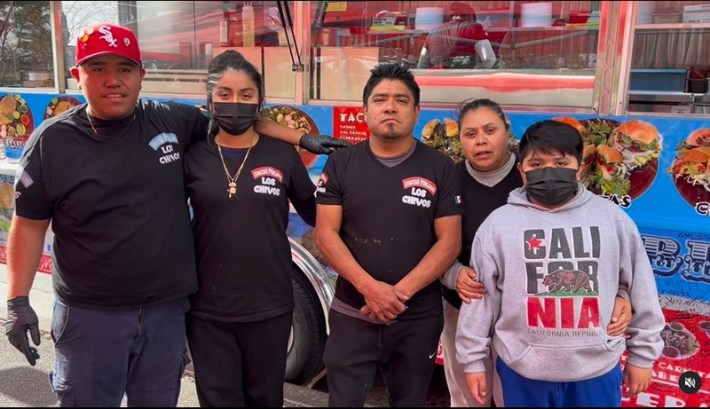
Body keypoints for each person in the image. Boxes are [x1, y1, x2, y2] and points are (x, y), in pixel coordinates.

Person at [4, 23, 346, 407]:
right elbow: (30, 225)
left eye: (124, 69)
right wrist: (17, 300)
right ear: (77, 75)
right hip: (92, 317)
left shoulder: (171, 120)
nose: (112, 80)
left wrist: (299, 139)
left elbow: (242, 118)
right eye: (97, 69)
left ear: (141, 75)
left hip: (165, 314)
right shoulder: (52, 141)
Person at [456, 119, 665, 407]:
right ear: (521, 169)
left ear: (579, 167)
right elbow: (481, 299)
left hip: (596, 370)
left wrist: (643, 355)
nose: (548, 171)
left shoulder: (612, 219)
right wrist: (473, 360)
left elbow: (639, 285)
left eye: (560, 162)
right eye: (537, 164)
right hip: (522, 370)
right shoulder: (498, 224)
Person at [314, 63, 463, 407]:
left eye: (401, 100)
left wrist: (397, 295)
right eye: (380, 99)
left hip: (417, 318)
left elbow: (449, 242)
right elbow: (325, 234)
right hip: (355, 314)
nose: (390, 106)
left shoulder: (439, 167)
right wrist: (370, 289)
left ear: (416, 112)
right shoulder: (341, 164)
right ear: (365, 110)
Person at [183, 50, 316, 407]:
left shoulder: (281, 155)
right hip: (207, 307)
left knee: (265, 399)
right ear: (210, 99)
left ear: (260, 101)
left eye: (246, 95)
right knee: (217, 399)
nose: (235, 103)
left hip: (269, 305)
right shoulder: (192, 154)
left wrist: (350, 180)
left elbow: (318, 212)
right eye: (224, 94)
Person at [417, 2, 496, 69]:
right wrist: (472, 77)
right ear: (471, 16)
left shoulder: (433, 32)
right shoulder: (474, 28)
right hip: (462, 81)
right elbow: (488, 59)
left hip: (437, 81)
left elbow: (421, 65)